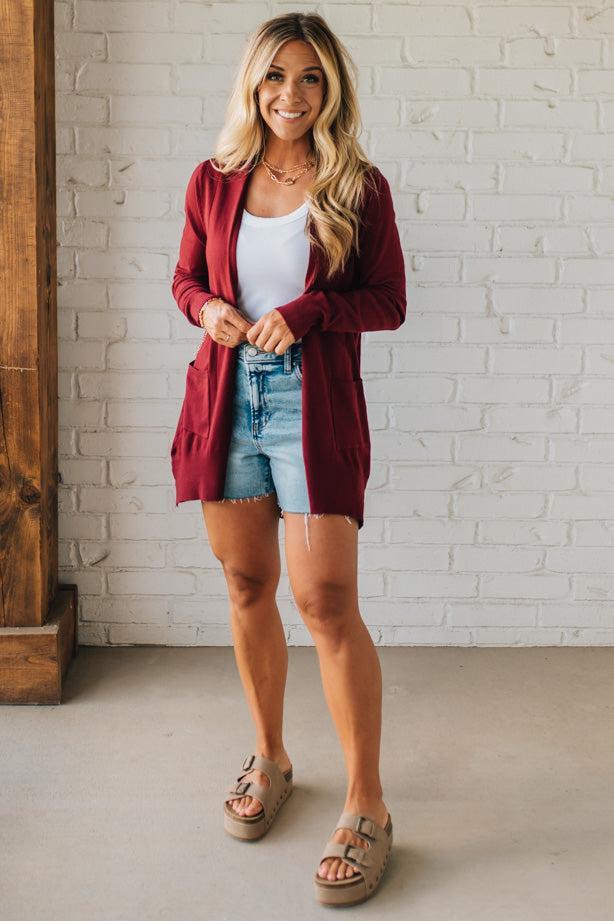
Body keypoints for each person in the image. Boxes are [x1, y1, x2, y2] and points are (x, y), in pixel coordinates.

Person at [170, 11, 406, 907]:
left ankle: (368, 804)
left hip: (311, 401)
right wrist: (207, 313)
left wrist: (307, 312)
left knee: (329, 602)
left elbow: (387, 301)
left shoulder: (357, 185)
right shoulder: (214, 179)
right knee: (245, 586)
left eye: (310, 79)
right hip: (228, 401)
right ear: (252, 85)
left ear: (331, 87)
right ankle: (270, 756)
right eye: (276, 77)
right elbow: (186, 278)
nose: (291, 96)